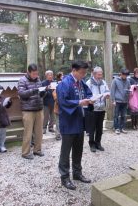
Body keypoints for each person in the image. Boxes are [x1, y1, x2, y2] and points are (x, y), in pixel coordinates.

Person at [57, 61, 93, 190]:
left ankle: (77, 173)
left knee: (78, 149)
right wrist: (78, 102)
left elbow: (88, 93)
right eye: (81, 73)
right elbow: (62, 101)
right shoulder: (65, 83)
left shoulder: (81, 82)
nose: (83, 75)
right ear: (74, 70)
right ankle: (64, 177)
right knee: (65, 152)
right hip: (68, 122)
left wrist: (91, 99)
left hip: (79, 120)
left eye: (85, 73)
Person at [18, 64, 46, 160]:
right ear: (29, 72)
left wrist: (43, 92)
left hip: (39, 108)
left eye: (36, 73)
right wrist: (33, 91)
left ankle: (37, 150)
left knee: (39, 132)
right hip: (28, 110)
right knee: (28, 132)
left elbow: (41, 93)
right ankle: (25, 152)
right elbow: (21, 94)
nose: (35, 75)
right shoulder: (22, 80)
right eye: (34, 74)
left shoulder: (38, 80)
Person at [86, 66, 110, 152]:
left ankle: (98, 143)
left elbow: (107, 90)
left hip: (102, 107)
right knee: (92, 128)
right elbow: (86, 94)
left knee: (100, 128)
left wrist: (107, 95)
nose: (101, 76)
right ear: (94, 74)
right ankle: (91, 144)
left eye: (101, 74)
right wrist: (91, 99)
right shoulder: (89, 83)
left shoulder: (103, 82)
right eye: (99, 74)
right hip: (93, 108)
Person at [111, 68, 131, 134]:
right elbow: (112, 91)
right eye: (124, 75)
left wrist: (129, 92)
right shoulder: (115, 80)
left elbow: (129, 88)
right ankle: (116, 128)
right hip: (117, 100)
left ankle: (122, 128)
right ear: (121, 74)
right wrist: (113, 100)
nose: (125, 76)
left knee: (123, 115)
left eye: (126, 75)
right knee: (116, 115)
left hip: (125, 100)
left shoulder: (128, 81)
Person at [52, 72, 64, 141]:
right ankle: (58, 135)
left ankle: (63, 134)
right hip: (58, 107)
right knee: (58, 122)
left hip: (65, 108)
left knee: (63, 122)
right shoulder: (55, 87)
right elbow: (55, 97)